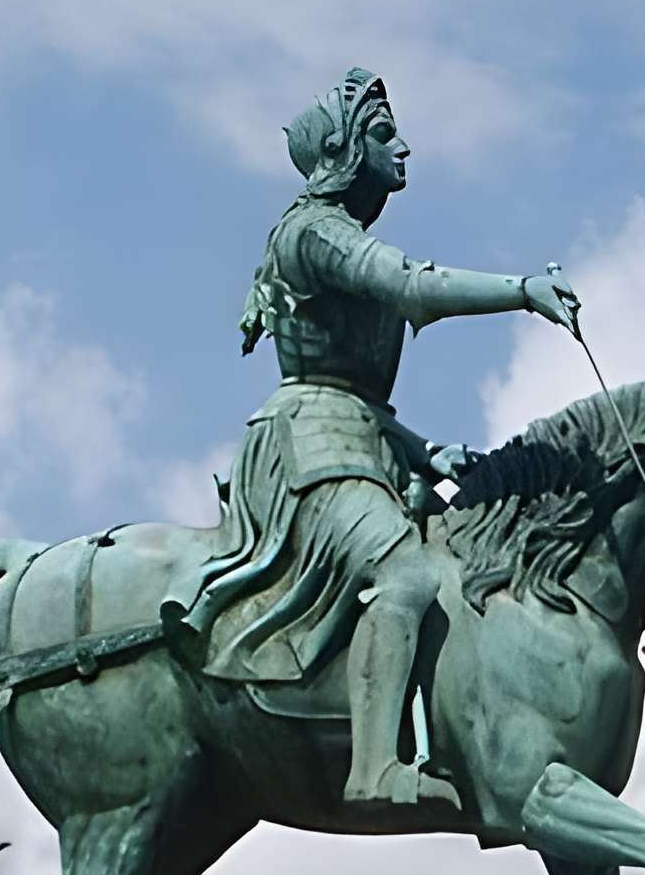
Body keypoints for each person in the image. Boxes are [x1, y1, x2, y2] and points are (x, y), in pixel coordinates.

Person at [177, 69, 577, 810]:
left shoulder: (336, 235)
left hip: (359, 441)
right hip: (310, 448)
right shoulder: (315, 232)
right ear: (342, 150)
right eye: (384, 134)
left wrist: (422, 450)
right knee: (408, 576)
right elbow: (409, 287)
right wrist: (522, 291)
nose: (404, 149)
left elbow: (359, 399)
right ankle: (374, 769)